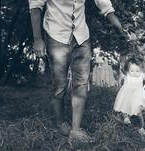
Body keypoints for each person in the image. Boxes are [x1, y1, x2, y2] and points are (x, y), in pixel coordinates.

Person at [29, 0, 130, 141]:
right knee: (60, 84)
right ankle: (60, 123)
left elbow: (105, 6)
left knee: (82, 82)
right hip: (55, 35)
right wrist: (37, 39)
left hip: (81, 36)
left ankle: (75, 129)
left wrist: (120, 28)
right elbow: (35, 7)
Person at [113, 57, 145, 135]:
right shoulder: (127, 75)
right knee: (124, 107)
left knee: (138, 113)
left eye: (137, 71)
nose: (134, 73)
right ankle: (125, 118)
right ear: (128, 70)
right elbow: (122, 69)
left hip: (136, 97)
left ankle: (141, 127)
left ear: (141, 70)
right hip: (126, 96)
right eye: (132, 70)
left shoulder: (141, 75)